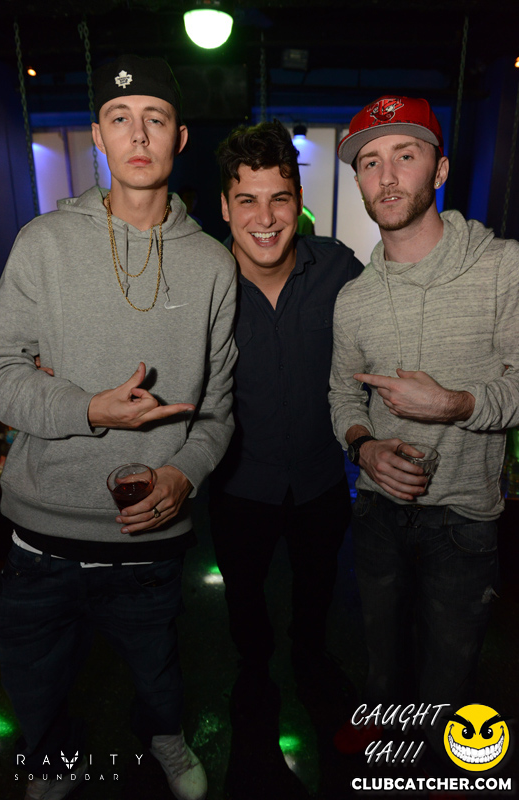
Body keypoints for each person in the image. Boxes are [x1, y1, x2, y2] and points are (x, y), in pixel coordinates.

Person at [0, 55, 237, 800]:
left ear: (180, 137)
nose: (139, 134)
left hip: (150, 537)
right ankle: (52, 760)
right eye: (120, 119)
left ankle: (164, 738)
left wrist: (183, 472)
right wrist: (88, 409)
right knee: (36, 681)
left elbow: (219, 408)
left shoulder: (213, 265)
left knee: (159, 672)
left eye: (156, 118)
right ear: (97, 135)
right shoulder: (43, 241)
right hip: (42, 534)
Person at [329, 95, 519, 757]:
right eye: (369, 162)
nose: (386, 176)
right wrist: (364, 446)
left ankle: (442, 758)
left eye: (405, 156)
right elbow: (341, 396)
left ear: (439, 171)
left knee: (451, 661)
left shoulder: (503, 268)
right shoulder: (353, 299)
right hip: (378, 509)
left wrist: (456, 405)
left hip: (465, 517)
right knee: (380, 645)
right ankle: (384, 717)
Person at [210, 120, 363, 715]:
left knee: (318, 588)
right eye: (247, 200)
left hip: (321, 480)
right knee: (244, 597)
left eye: (279, 198)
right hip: (238, 485)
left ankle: (310, 658)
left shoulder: (339, 270)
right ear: (225, 207)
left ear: (299, 202)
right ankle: (253, 671)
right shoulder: (202, 283)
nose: (265, 217)